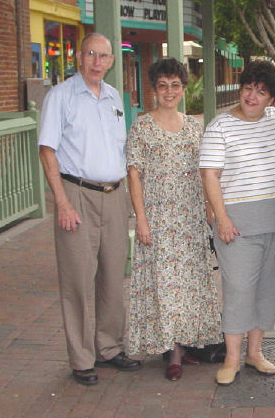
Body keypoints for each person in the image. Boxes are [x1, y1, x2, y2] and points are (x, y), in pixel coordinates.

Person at [38, 32, 141, 386]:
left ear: (112, 61)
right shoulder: (61, 96)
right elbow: (47, 150)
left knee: (113, 275)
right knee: (78, 280)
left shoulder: (114, 98)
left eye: (104, 56)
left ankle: (109, 348)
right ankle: (82, 358)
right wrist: (62, 202)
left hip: (113, 195)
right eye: (91, 55)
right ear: (79, 57)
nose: (97, 62)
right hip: (76, 195)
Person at [125, 58, 222, 381]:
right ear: (154, 88)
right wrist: (141, 219)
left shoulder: (194, 126)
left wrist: (210, 213)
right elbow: (134, 174)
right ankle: (173, 353)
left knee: (189, 284)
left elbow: (205, 173)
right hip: (159, 217)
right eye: (163, 85)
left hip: (190, 216)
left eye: (175, 85)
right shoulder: (142, 125)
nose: (169, 91)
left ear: (182, 89)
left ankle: (184, 343)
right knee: (164, 284)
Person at [199, 60, 275, 386]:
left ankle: (255, 352)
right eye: (248, 88)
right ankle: (232, 358)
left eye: (261, 91)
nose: (252, 96)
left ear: (272, 98)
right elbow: (209, 174)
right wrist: (221, 217)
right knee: (239, 289)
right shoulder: (220, 126)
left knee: (269, 289)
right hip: (236, 222)